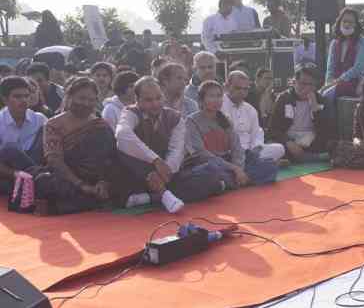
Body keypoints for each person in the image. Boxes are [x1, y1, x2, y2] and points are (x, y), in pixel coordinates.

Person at [115, 77, 224, 213]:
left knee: (212, 177)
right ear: (137, 100)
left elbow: (176, 151)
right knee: (124, 151)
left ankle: (152, 197)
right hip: (139, 174)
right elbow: (122, 135)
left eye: (158, 98)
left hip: (166, 175)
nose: (155, 104)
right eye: (148, 100)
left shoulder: (174, 117)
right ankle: (163, 194)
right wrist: (155, 160)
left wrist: (166, 172)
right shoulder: (130, 113)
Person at [33, 77, 126, 214]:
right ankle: (89, 202)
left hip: (97, 180)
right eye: (81, 98)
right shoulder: (54, 124)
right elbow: (54, 160)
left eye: (91, 100)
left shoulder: (100, 125)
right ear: (69, 97)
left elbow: (111, 158)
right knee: (43, 181)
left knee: (124, 178)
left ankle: (65, 206)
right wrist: (81, 185)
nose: (86, 103)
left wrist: (103, 181)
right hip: (69, 179)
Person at [186, 81, 252, 190]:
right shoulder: (191, 121)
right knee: (211, 172)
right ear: (201, 100)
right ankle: (235, 181)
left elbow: (237, 148)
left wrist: (239, 168)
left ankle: (229, 183)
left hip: (229, 162)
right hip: (210, 164)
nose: (216, 100)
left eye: (219, 96)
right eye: (211, 96)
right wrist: (234, 168)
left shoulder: (225, 119)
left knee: (266, 165)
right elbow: (201, 154)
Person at [220, 71, 282, 183]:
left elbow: (257, 133)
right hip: (229, 153)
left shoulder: (250, 109)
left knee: (279, 149)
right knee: (270, 169)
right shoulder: (219, 105)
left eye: (245, 89)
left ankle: (240, 177)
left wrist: (254, 149)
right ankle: (250, 173)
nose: (242, 92)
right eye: (238, 88)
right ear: (227, 86)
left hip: (250, 153)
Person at [269, 66, 328, 162]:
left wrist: (314, 107)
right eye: (303, 83)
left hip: (311, 139)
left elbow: (324, 129)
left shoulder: (321, 99)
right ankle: (310, 158)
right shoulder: (283, 98)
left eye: (311, 84)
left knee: (329, 144)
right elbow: (273, 129)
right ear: (294, 82)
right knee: (275, 147)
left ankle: (302, 158)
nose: (307, 88)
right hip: (289, 138)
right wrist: (288, 142)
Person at [0, 76, 46, 194]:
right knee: (10, 149)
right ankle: (40, 181)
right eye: (17, 96)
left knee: (46, 132)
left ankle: (37, 182)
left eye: (26, 96)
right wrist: (16, 174)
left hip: (36, 163)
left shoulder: (39, 119)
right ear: (5, 99)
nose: (24, 100)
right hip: (9, 171)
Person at [323, 8, 364, 106]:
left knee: (327, 95)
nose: (347, 25)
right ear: (339, 23)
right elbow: (330, 68)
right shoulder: (334, 43)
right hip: (335, 83)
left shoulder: (363, 42)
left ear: (356, 25)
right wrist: (328, 83)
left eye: (351, 22)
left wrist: (337, 82)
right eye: (345, 21)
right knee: (318, 94)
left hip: (354, 82)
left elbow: (358, 68)